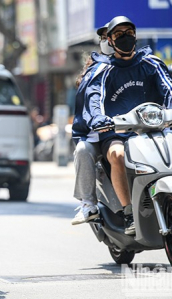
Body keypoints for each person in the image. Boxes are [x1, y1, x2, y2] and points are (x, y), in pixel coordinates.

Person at [81, 16, 172, 235]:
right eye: (119, 35)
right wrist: (98, 118)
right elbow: (95, 97)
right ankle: (129, 212)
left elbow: (169, 89)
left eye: (129, 33)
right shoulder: (102, 70)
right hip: (116, 132)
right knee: (117, 155)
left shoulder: (151, 63)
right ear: (110, 41)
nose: (125, 38)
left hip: (152, 129)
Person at [71, 23, 114, 226]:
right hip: (102, 134)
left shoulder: (139, 65)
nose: (109, 41)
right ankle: (88, 203)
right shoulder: (95, 71)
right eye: (104, 37)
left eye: (112, 36)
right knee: (83, 149)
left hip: (132, 131)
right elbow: (91, 102)